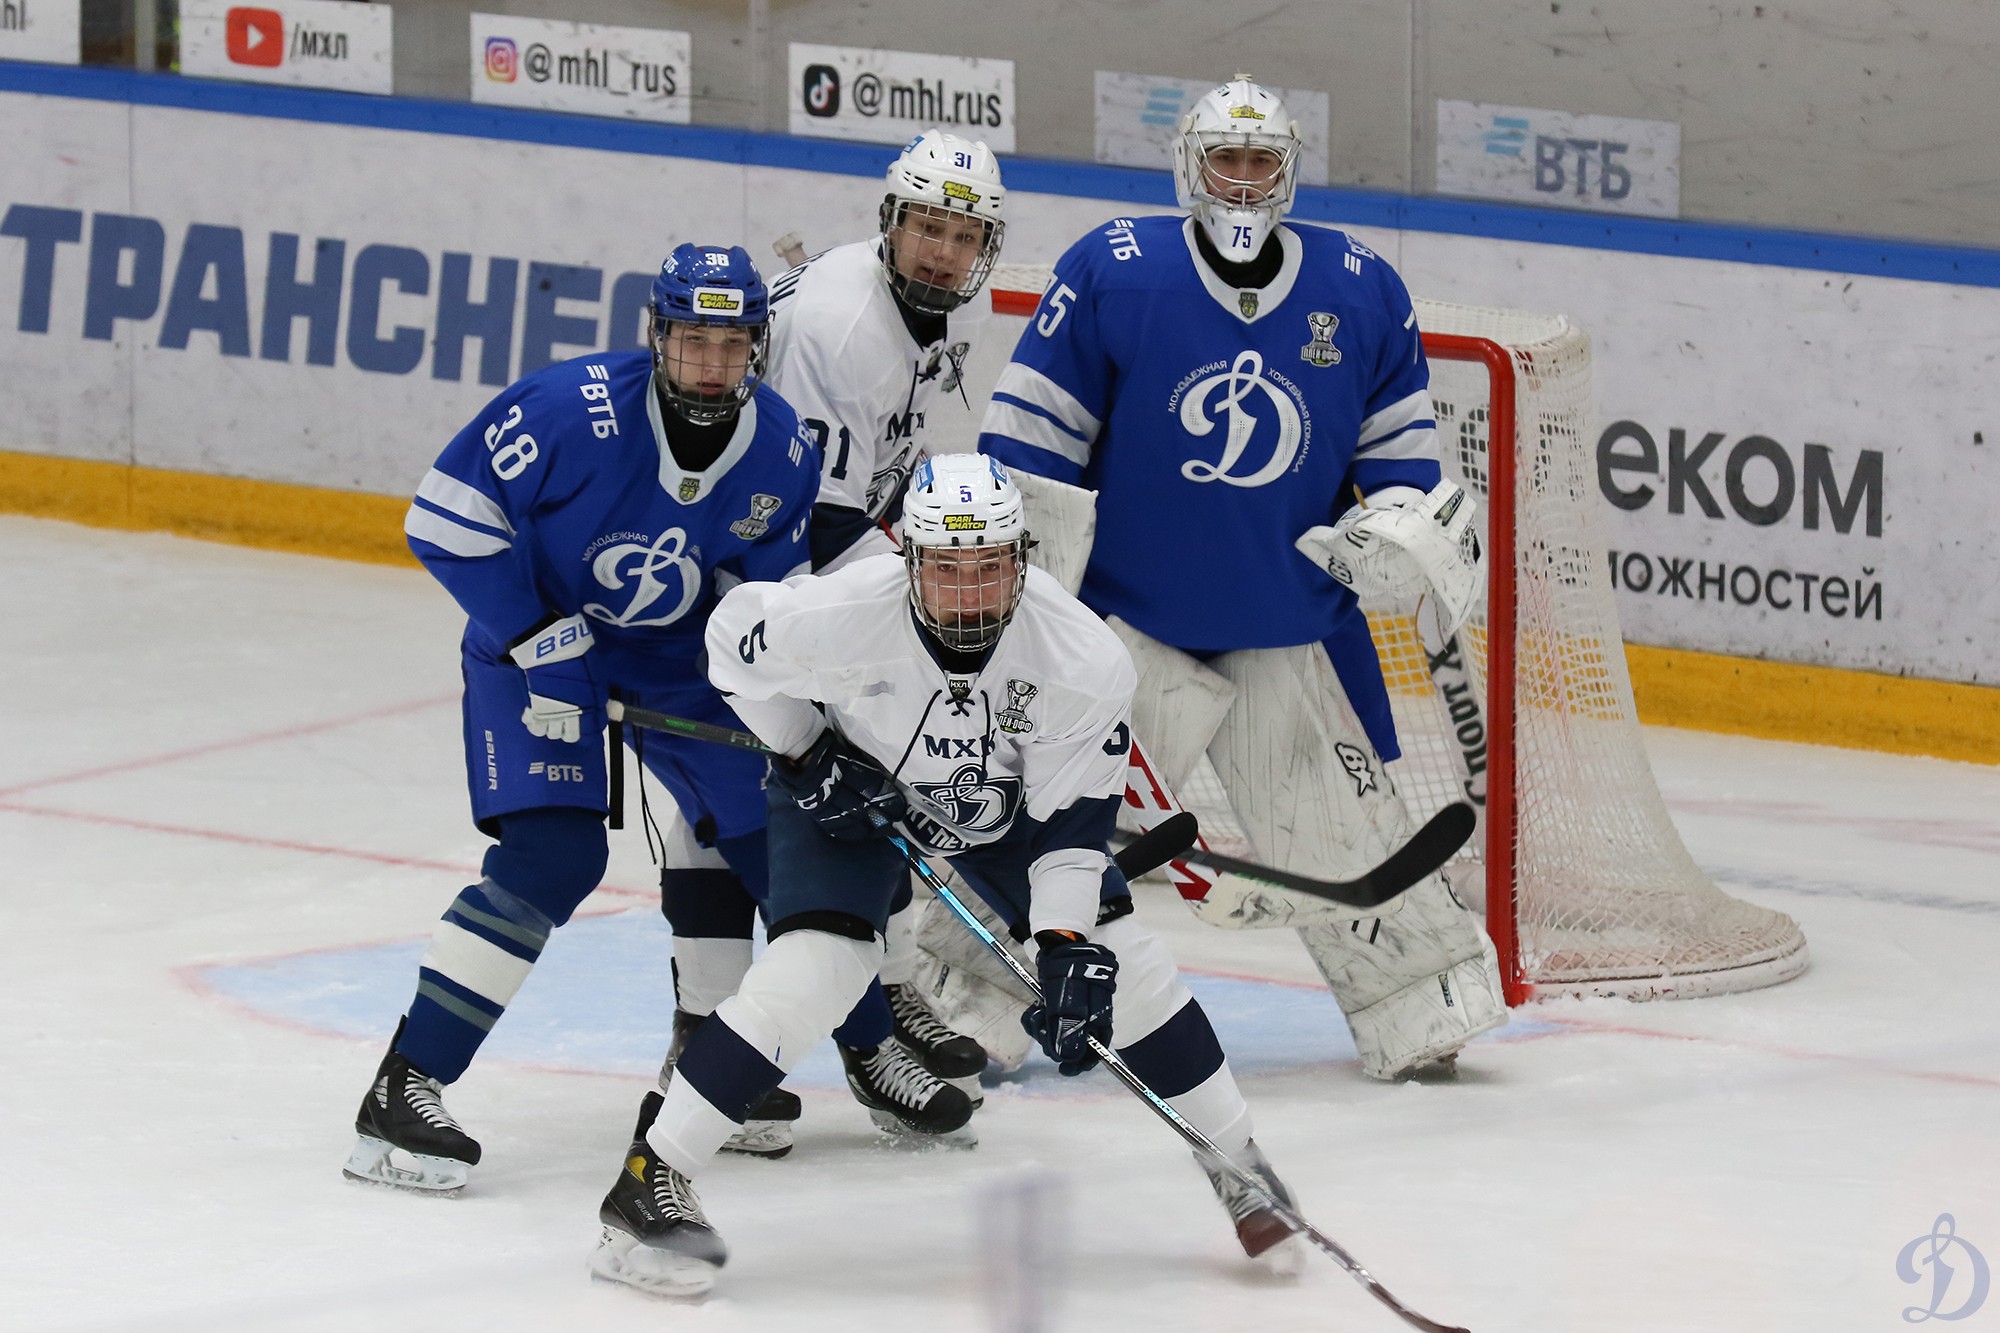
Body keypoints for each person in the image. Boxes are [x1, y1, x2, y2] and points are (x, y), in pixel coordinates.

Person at [588, 454, 1303, 1296]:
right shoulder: (844, 612)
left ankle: (1237, 1159)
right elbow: (728, 646)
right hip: (850, 787)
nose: (970, 592)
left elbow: (1068, 831)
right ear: (911, 561)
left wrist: (1066, 940)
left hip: (1006, 814)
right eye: (949, 569)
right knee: (818, 971)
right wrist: (808, 750)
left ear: (1022, 559)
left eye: (991, 567)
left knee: (1126, 965)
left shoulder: (1082, 656)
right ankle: (651, 1179)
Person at [971, 74, 1508, 1082]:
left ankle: (1416, 1002)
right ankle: (962, 1006)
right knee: (1040, 834)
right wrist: (1022, 619)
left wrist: (1392, 536)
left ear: (1290, 171)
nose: (1246, 182)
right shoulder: (1114, 271)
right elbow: (1027, 456)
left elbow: (1404, 470)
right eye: (1228, 159)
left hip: (1281, 623)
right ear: (1190, 166)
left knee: (1345, 835)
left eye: (1264, 162)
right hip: (1123, 635)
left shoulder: (1358, 287)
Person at [342, 244, 823, 1194]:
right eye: (694, 342)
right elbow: (442, 521)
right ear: (658, 335)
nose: (713, 365)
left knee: (779, 839)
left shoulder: (780, 445)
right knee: (554, 859)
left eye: (733, 346)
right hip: (534, 645)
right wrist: (538, 640)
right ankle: (408, 1082)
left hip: (682, 670)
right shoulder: (570, 409)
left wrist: (798, 716)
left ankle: (709, 1069)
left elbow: (767, 606)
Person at [653, 129, 1007, 1127]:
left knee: (751, 788)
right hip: (710, 565)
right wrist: (912, 613)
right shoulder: (844, 327)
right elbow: (813, 516)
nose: (943, 250)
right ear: (890, 223)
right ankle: (792, 1020)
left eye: (962, 233)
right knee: (753, 785)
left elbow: (861, 491)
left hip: (765, 558)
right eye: (927, 227)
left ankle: (841, 1000)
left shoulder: (921, 315)